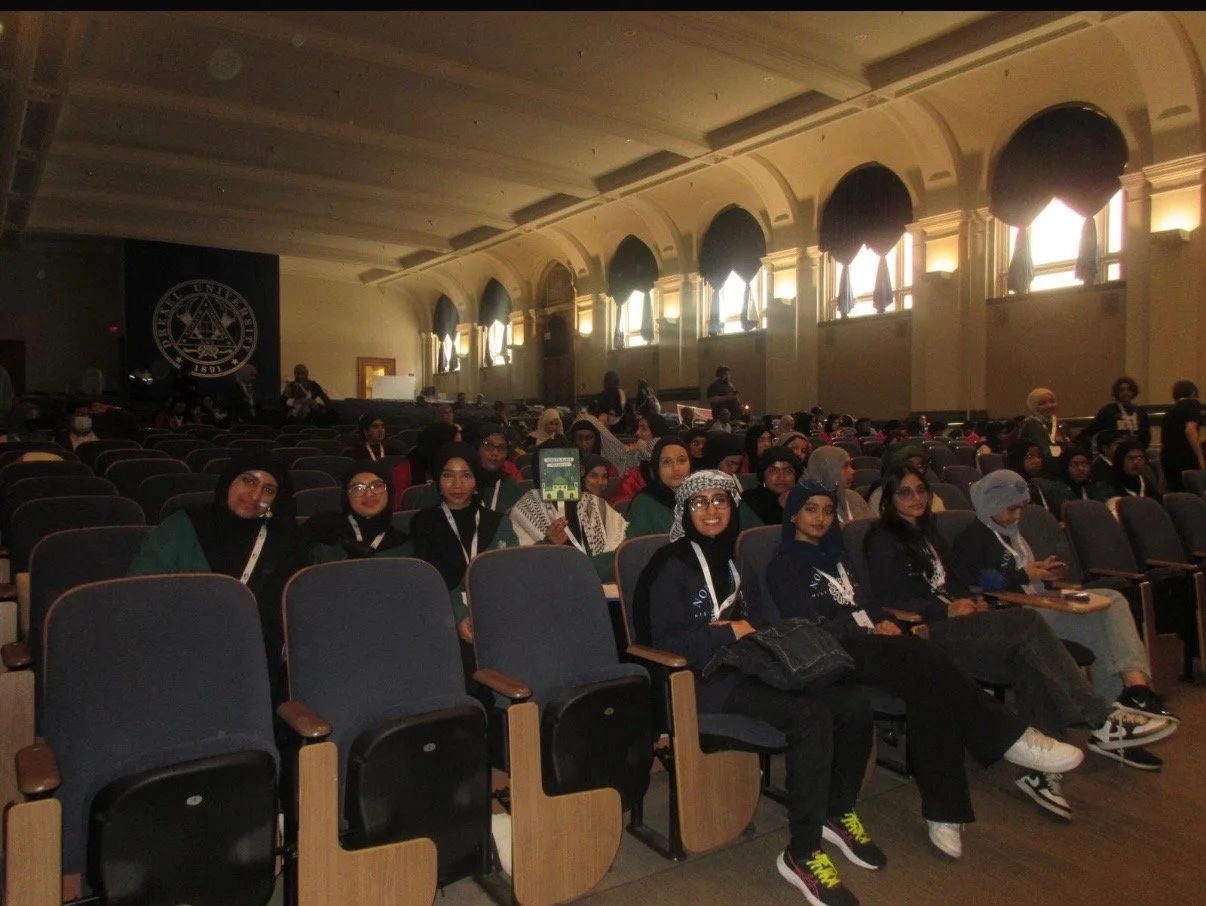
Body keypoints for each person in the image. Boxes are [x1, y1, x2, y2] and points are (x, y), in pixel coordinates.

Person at [769, 480, 1085, 859]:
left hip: (875, 646)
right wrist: (864, 624)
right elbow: (806, 623)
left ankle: (946, 814)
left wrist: (882, 619)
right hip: (831, 653)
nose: (820, 518)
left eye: (826, 510)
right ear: (794, 516)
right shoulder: (783, 563)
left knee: (931, 688)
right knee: (926, 658)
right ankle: (1011, 738)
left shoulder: (840, 553)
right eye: (810, 510)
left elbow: (868, 601)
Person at [862, 463, 1176, 818]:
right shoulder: (882, 539)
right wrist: (943, 610)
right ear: (888, 500)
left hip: (963, 618)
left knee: (1028, 657)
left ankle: (1039, 772)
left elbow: (953, 582)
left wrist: (971, 599)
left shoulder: (929, 534)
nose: (916, 498)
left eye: (921, 490)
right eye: (905, 492)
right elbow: (889, 596)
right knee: (1026, 625)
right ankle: (1099, 719)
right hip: (929, 629)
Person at [633, 470, 884, 905]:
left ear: (733, 507)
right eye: (700, 502)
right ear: (685, 510)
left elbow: (763, 622)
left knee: (853, 701)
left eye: (721, 501)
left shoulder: (735, 558)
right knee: (810, 716)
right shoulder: (668, 565)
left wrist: (751, 632)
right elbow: (663, 644)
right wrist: (727, 632)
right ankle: (802, 854)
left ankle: (837, 811)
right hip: (701, 681)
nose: (712, 510)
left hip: (752, 667)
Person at [950, 468, 1177, 770]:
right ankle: (1120, 712)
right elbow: (975, 585)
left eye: (1021, 507)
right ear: (991, 505)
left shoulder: (1013, 535)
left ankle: (1132, 693)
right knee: (1102, 617)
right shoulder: (972, 538)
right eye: (1010, 508)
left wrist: (1043, 571)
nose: (1017, 515)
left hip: (1040, 601)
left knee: (1113, 602)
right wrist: (1024, 575)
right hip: (1015, 616)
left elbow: (1021, 573)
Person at [127, 450, 302, 700]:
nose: (255, 495)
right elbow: (140, 591)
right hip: (180, 651)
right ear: (229, 480)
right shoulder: (185, 525)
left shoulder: (283, 540)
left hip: (254, 663)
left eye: (269, 490)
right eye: (248, 481)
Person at [410, 441, 519, 649]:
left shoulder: (498, 522)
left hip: (497, 615)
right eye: (448, 475)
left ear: (476, 481)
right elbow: (430, 583)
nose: (457, 485)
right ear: (437, 481)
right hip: (443, 620)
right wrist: (460, 615)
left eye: (466, 476)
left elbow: (509, 576)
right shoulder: (424, 523)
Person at [509, 439, 627, 582]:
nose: (561, 474)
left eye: (568, 466)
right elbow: (520, 567)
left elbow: (619, 555)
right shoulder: (527, 508)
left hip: (600, 590)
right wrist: (547, 544)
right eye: (553, 467)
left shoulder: (594, 503)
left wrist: (585, 568)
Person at [300, 462, 412, 563]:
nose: (369, 494)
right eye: (358, 488)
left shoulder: (402, 543)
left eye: (377, 486)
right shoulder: (320, 529)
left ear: (389, 493)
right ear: (346, 496)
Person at [391, 421, 460, 510]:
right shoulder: (404, 470)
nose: (460, 450)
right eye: (456, 446)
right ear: (440, 447)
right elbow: (399, 511)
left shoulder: (459, 468)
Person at [804, 446, 873, 524]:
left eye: (851, 465)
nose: (852, 471)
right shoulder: (807, 504)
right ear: (828, 471)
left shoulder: (853, 497)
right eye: (845, 466)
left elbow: (872, 531)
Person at [1080, 376, 1152, 451]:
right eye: (1122, 390)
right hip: (1114, 451)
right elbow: (1091, 430)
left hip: (1135, 451)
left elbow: (1146, 436)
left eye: (1128, 390)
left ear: (1133, 392)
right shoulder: (1108, 411)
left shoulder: (1141, 412)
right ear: (1117, 393)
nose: (1125, 393)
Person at [1159, 380, 1204, 493]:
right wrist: (1200, 456)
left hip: (1168, 458)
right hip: (1186, 457)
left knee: (1177, 494)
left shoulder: (1169, 412)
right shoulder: (1192, 404)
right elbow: (1190, 430)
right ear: (1193, 393)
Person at [742, 446, 802, 527]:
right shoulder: (750, 499)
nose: (781, 477)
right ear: (763, 475)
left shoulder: (804, 500)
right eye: (773, 471)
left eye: (788, 471)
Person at [1017, 387, 1068, 479]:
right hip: (1042, 474)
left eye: (1052, 401)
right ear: (1033, 407)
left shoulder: (1059, 425)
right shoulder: (1031, 425)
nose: (1049, 405)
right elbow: (1045, 452)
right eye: (1042, 403)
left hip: (1062, 469)